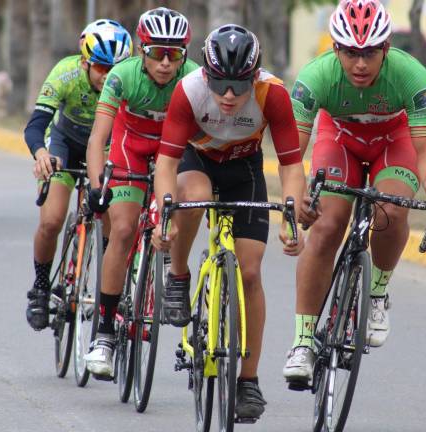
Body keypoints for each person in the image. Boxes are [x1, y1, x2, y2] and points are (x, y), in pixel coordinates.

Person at [281, 0, 426, 386]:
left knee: (390, 209)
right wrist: (295, 201)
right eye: (351, 52)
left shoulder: (411, 74)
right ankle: (303, 343)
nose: (360, 64)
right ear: (335, 49)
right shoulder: (316, 76)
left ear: (386, 48)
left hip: (393, 140)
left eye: (370, 53)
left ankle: (377, 294)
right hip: (337, 139)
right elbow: (292, 155)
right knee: (326, 226)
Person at [152, 24, 307, 420]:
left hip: (244, 168)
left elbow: (291, 167)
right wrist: (165, 215)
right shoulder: (188, 91)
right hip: (196, 161)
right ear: (207, 74)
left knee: (251, 273)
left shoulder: (272, 94)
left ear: (254, 77)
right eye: (220, 84)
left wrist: (291, 219)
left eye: (239, 86)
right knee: (196, 197)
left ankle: (248, 382)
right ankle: (181, 275)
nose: (229, 95)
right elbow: (166, 165)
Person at [82, 8, 199, 378]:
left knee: (184, 201)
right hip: (129, 148)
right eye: (157, 53)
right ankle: (103, 333)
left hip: (173, 150)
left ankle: (167, 263)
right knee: (121, 229)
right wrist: (98, 185)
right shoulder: (121, 76)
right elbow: (99, 137)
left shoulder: (194, 78)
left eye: (174, 54)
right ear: (140, 50)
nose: (166, 63)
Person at [24, 20, 132, 331]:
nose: (108, 75)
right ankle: (41, 287)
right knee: (52, 219)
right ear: (84, 61)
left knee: (113, 212)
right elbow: (36, 123)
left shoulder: (125, 80)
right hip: (65, 143)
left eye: (116, 67)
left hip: (108, 145)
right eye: (100, 67)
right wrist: (41, 154)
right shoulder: (65, 73)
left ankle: (112, 287)